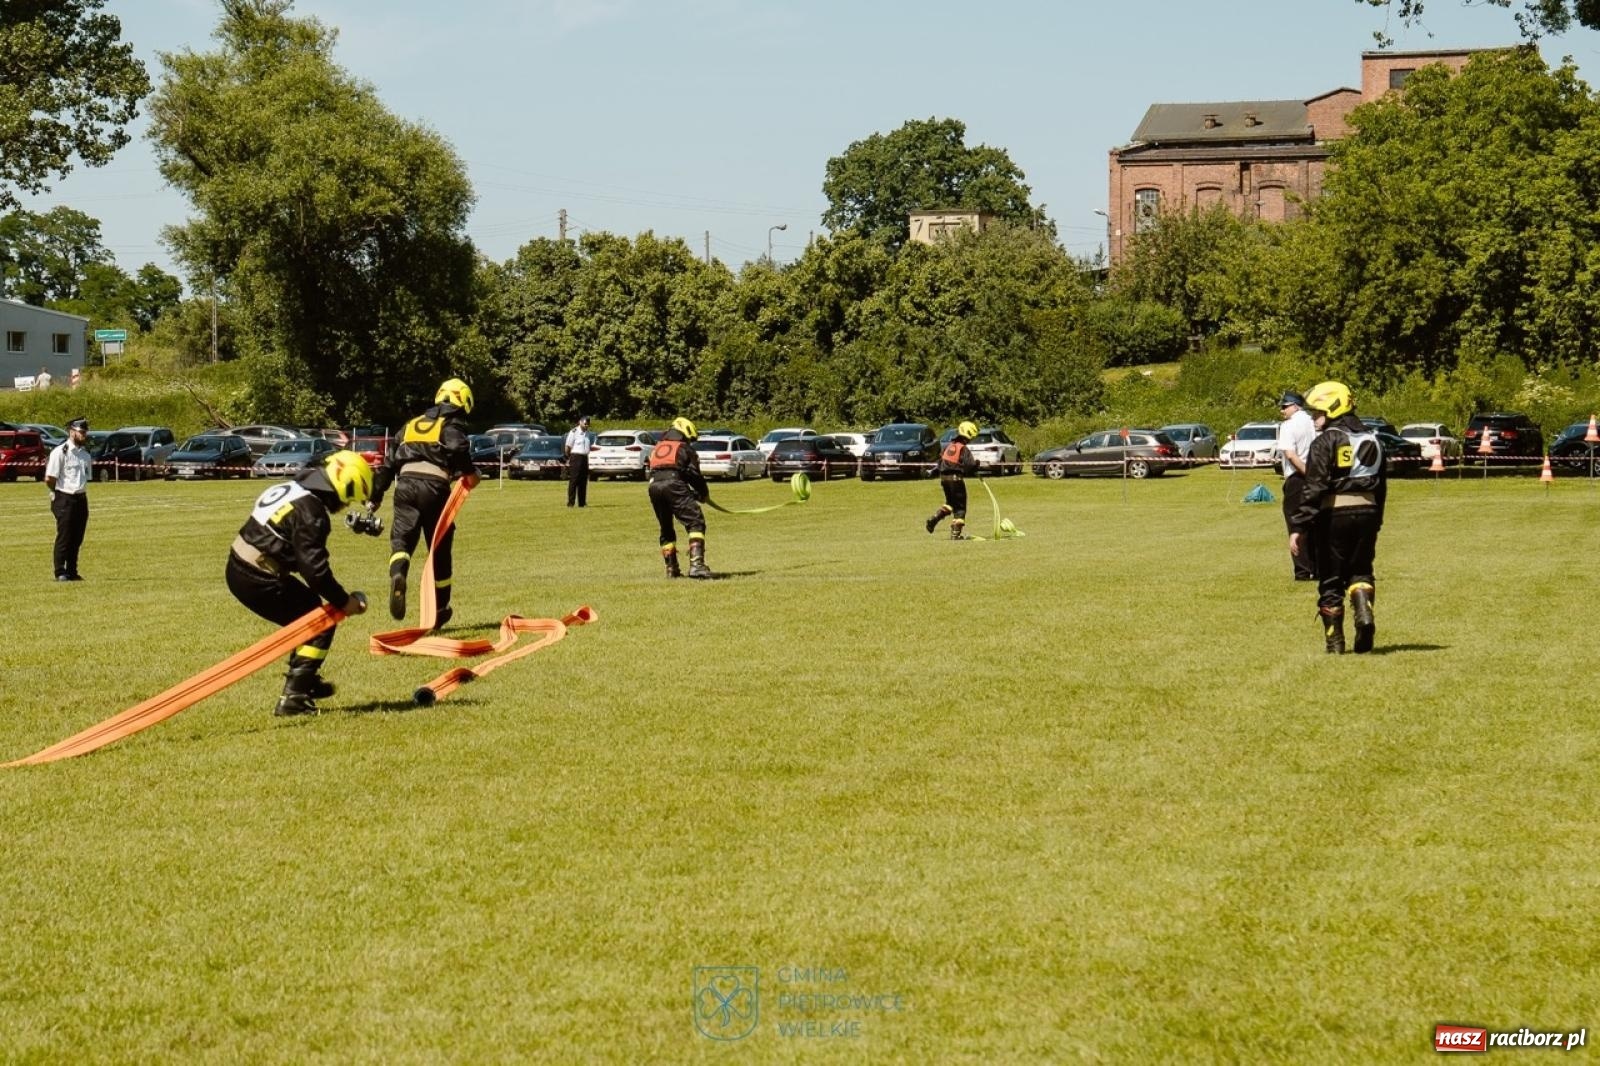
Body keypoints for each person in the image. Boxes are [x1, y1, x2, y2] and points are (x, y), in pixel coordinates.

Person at [227, 452, 372, 716]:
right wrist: (344, 602)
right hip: (257, 575)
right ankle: (294, 697)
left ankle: (306, 681)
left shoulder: (292, 488)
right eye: (349, 496)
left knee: (307, 610)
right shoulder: (312, 512)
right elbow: (315, 573)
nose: (345, 504)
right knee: (318, 621)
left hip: (239, 565)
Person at [367, 377, 481, 627]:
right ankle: (440, 608)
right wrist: (470, 473)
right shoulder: (450, 423)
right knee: (439, 547)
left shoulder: (411, 424)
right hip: (435, 486)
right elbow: (458, 447)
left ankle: (398, 573)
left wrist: (375, 496)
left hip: (405, 485)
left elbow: (388, 464)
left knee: (402, 541)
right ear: (463, 400)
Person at [1288, 381, 1386, 654]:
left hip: (1333, 515)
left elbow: (1314, 486)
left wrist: (1299, 526)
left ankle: (1335, 641)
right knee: (1361, 569)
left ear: (1332, 408)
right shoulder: (1374, 439)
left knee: (1331, 578)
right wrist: (1377, 520)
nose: (1312, 416)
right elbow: (1382, 486)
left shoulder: (1325, 441)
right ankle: (1364, 611)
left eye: (1316, 411)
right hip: (1368, 511)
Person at [648, 416, 712, 579]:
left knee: (666, 528)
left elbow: (659, 471)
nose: (689, 443)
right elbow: (693, 474)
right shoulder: (684, 447)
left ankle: (672, 568)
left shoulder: (658, 447)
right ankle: (697, 565)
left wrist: (689, 492)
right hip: (674, 484)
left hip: (654, 486)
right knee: (695, 522)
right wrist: (703, 493)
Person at [1276, 391, 1318, 581]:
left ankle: (1302, 570)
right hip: (1315, 478)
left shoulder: (1288, 426)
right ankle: (1317, 568)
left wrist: (1305, 472)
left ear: (1295, 406)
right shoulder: (1313, 422)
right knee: (1314, 523)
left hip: (1297, 477)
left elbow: (1291, 455)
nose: (1282, 410)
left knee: (1296, 523)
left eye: (1285, 406)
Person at [44, 417, 92, 581]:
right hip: (64, 497)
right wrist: (56, 494)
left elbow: (86, 477)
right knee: (64, 536)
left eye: (85, 432)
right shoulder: (60, 452)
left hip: (81, 498)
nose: (84, 435)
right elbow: (50, 478)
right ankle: (60, 571)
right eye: (81, 432)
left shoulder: (85, 455)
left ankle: (72, 570)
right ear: (72, 432)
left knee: (77, 537)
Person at [926, 421, 981, 540]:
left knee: (950, 503)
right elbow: (969, 466)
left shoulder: (949, 446)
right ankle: (956, 534)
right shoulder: (963, 448)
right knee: (960, 507)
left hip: (944, 479)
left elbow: (940, 462)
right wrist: (977, 465)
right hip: (956, 479)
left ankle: (935, 518)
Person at [564, 416, 592, 507]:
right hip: (576, 456)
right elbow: (568, 446)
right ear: (580, 422)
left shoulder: (587, 433)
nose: (586, 426)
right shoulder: (574, 432)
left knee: (583, 481)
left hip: (584, 457)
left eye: (587, 424)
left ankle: (582, 502)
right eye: (585, 424)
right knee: (574, 480)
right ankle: (571, 502)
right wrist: (569, 457)